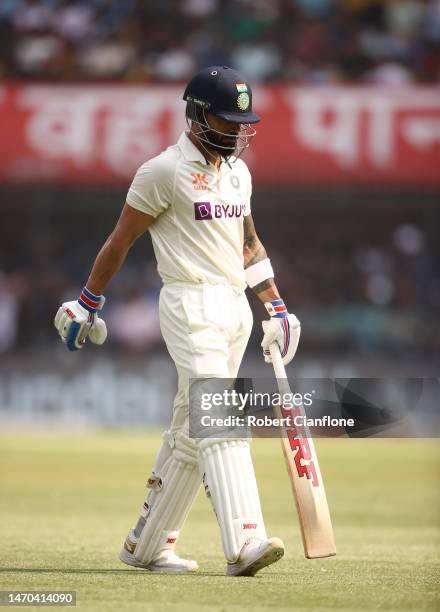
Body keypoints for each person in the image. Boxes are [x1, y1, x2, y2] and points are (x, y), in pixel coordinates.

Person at [54, 66, 301, 576]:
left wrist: (275, 306)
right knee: (220, 413)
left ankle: (146, 546)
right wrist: (87, 301)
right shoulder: (162, 171)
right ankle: (245, 541)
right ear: (195, 115)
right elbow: (119, 242)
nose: (236, 131)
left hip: (234, 308)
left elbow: (249, 243)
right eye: (225, 120)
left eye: (241, 123)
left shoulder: (238, 173)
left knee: (191, 429)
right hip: (189, 303)